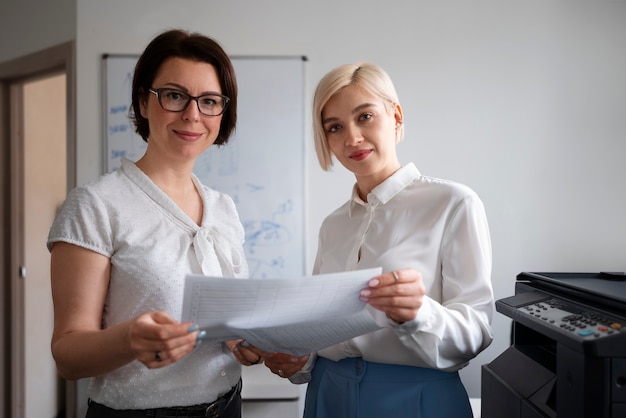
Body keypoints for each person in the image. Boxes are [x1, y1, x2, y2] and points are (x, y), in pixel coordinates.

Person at [258, 62, 495, 417]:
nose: (351, 138)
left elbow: (476, 331)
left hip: (415, 398)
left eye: (364, 117)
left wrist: (418, 313)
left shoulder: (453, 203)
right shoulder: (333, 224)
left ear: (396, 117)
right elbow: (327, 328)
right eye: (335, 127)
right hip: (327, 395)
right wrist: (301, 359)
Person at [47, 29, 262, 418]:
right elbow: (67, 355)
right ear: (144, 102)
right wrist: (130, 339)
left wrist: (243, 343)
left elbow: (227, 325)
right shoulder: (96, 204)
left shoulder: (223, 207)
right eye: (175, 95)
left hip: (229, 404)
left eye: (209, 101)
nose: (193, 114)